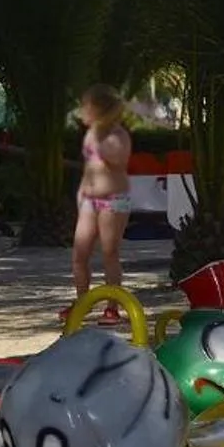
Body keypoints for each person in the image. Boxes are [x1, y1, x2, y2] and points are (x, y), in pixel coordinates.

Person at [73, 85, 133, 297]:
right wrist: (81, 193)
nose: (81, 112)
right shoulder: (90, 135)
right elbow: (89, 168)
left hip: (114, 201)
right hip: (90, 201)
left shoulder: (118, 135)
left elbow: (118, 160)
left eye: (86, 107)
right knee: (79, 254)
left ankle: (112, 305)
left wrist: (102, 143)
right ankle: (81, 301)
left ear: (100, 111)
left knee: (110, 253)